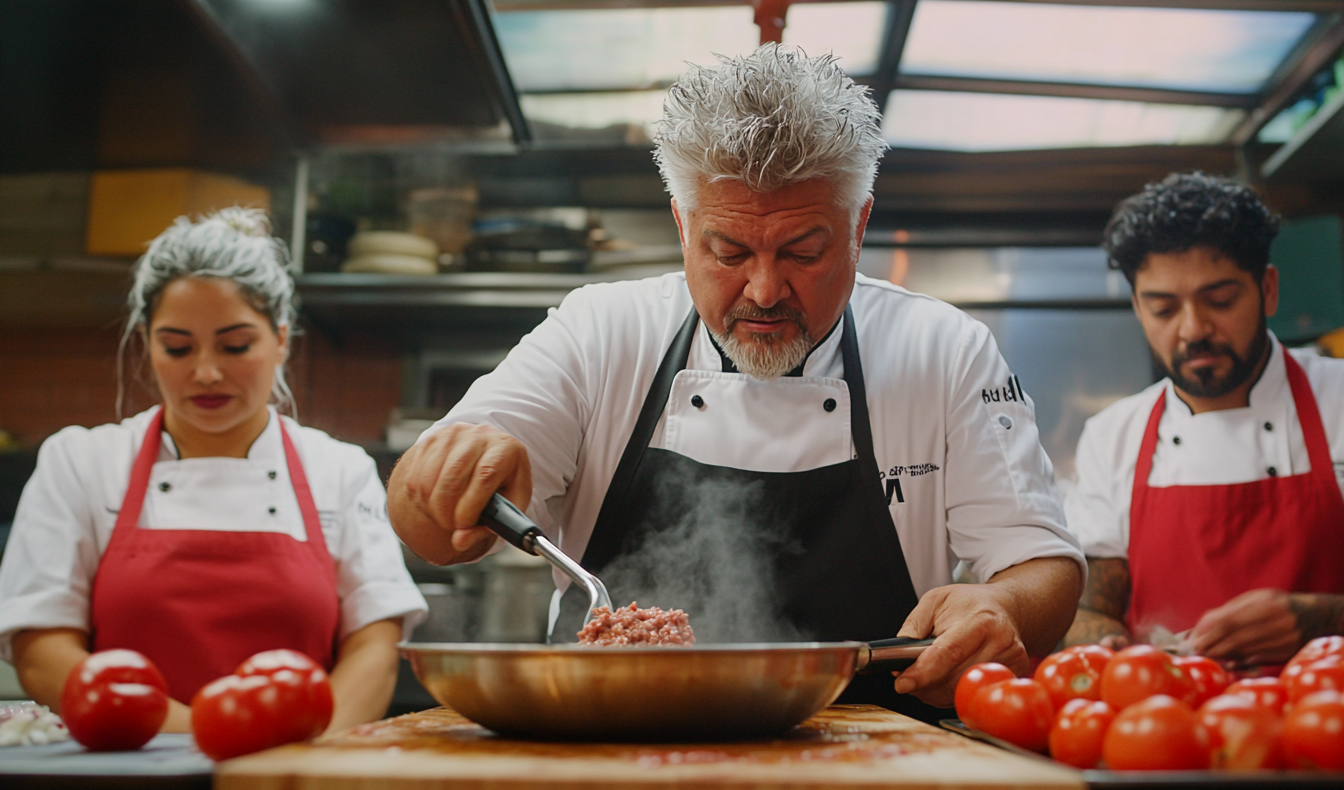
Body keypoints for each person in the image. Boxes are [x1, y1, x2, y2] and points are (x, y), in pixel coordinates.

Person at [386, 46, 1084, 720]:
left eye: (804, 250)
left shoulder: (944, 350)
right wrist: (441, 482)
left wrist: (1004, 608)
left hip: (871, 760)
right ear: (682, 225)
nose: (765, 288)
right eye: (729, 250)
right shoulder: (600, 333)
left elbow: (1040, 564)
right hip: (607, 750)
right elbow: (437, 532)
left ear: (858, 226)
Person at [0, 209, 427, 732]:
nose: (205, 372)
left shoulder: (338, 470)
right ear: (147, 344)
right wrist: (209, 735)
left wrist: (305, 754)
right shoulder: (81, 463)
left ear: (282, 341)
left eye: (235, 345)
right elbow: (42, 651)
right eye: (177, 347)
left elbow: (376, 644)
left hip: (292, 777)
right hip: (127, 779)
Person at [1064, 172, 1344, 667]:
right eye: (1163, 309)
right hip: (1171, 729)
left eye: (1221, 301)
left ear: (1267, 290)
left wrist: (1318, 622)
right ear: (1138, 309)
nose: (1193, 329)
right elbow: (1088, 612)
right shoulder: (1113, 436)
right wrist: (1110, 650)